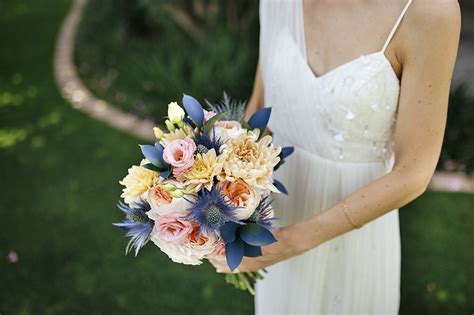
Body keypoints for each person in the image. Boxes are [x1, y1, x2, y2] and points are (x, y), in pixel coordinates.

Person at [210, 0, 460, 313]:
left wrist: (291, 241)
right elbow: (262, 110)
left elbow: (413, 173)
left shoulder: (429, 13)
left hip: (357, 234)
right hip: (277, 216)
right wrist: (216, 191)